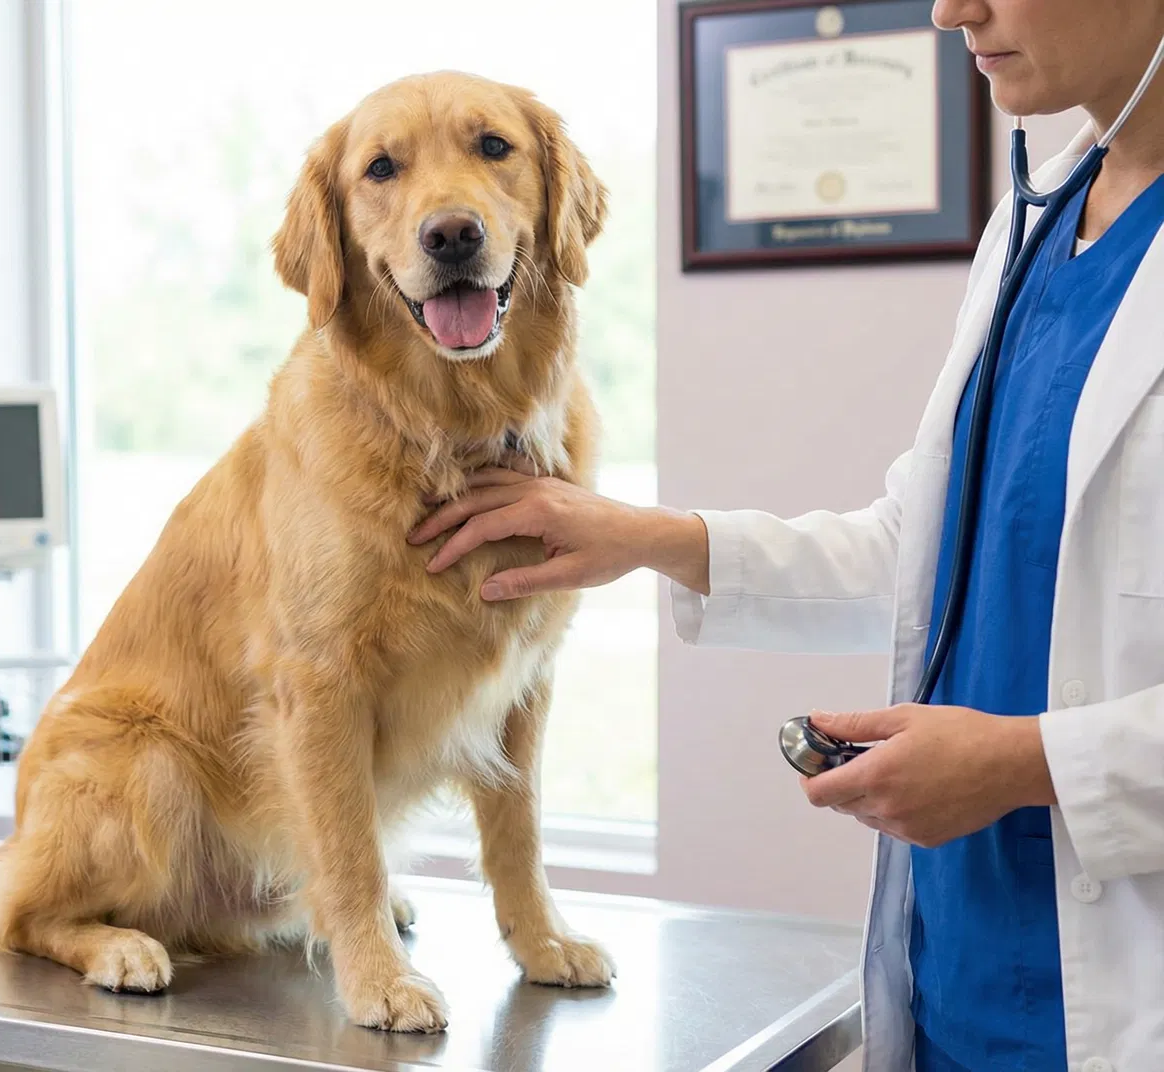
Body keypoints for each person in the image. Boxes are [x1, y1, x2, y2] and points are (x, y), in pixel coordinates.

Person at [408, 1, 1164, 1068]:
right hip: (956, 982)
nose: (953, 9)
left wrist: (1026, 761)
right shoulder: (1036, 222)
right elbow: (933, 545)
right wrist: (651, 538)